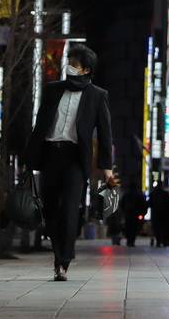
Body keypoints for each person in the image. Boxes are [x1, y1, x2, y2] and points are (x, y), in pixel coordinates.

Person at [25, 44, 117, 282]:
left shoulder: (98, 95)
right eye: (69, 62)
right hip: (49, 156)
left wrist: (106, 168)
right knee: (50, 210)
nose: (69, 67)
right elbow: (39, 126)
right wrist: (30, 158)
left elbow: (105, 133)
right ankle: (59, 253)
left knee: (69, 208)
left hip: (75, 159)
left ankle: (63, 260)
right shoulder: (52, 90)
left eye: (74, 64)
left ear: (86, 69)